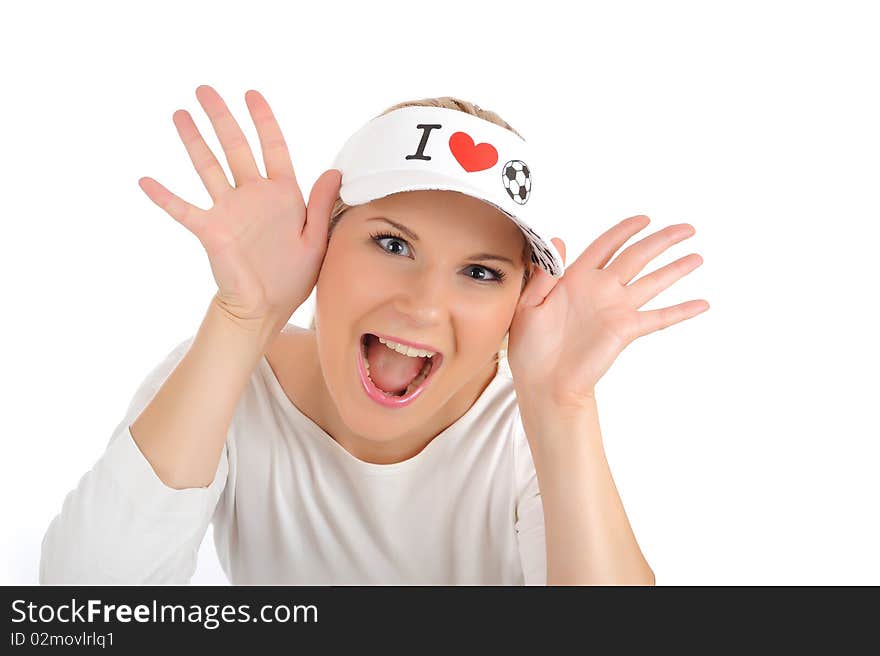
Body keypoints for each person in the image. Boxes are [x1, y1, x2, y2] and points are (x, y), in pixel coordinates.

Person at [40, 85, 706, 585]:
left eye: (479, 270)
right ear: (321, 243)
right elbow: (83, 610)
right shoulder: (225, 377)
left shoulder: (527, 427)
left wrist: (563, 409)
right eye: (392, 243)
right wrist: (241, 319)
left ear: (518, 302)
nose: (422, 304)